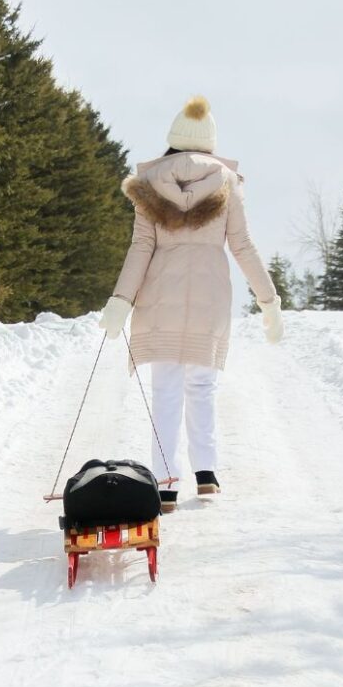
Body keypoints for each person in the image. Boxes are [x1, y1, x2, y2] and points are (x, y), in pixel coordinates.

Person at [98, 95, 283, 513]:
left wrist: (120, 301)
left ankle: (165, 483)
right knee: (201, 387)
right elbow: (243, 246)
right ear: (209, 142)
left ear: (173, 139)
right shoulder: (226, 182)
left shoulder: (149, 184)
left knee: (165, 391)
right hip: (209, 301)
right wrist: (268, 301)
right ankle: (207, 475)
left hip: (158, 301)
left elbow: (141, 248)